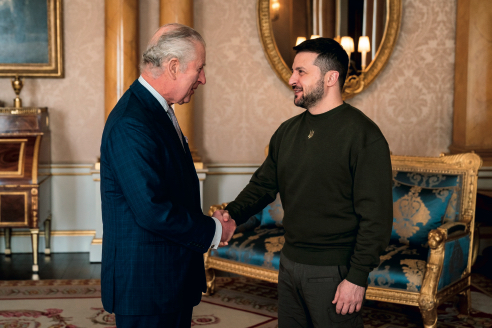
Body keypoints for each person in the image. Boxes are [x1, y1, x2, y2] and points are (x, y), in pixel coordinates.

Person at [220, 38, 393, 327]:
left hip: (335, 270)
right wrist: (231, 215)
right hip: (288, 264)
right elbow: (262, 185)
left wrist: (356, 277)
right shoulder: (287, 131)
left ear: (330, 78)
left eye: (301, 72)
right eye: (293, 71)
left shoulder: (363, 135)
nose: (291, 79)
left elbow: (376, 217)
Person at [99, 23, 236, 328]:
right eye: (199, 68)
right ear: (174, 67)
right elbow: (152, 210)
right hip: (147, 286)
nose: (203, 78)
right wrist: (214, 231)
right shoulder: (132, 122)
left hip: (167, 280)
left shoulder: (155, 109)